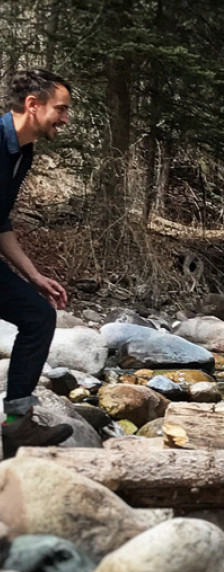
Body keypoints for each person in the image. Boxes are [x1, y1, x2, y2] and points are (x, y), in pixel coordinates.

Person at [1, 69, 74, 451]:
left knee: (38, 315)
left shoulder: (22, 152)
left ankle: (16, 423)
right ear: (33, 105)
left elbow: (0, 223)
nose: (65, 119)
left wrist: (34, 276)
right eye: (60, 109)